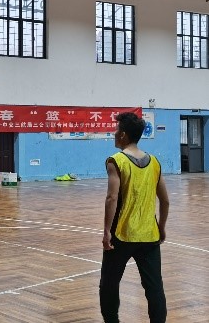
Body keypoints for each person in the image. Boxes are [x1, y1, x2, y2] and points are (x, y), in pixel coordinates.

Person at [100, 112, 170, 323]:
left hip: (122, 235)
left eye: (116, 130)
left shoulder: (116, 161)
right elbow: (165, 201)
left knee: (109, 284)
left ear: (123, 134)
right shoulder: (154, 162)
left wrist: (106, 231)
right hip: (149, 234)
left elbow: (112, 198)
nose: (114, 133)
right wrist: (161, 227)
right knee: (154, 287)